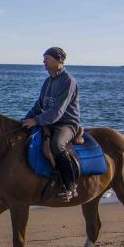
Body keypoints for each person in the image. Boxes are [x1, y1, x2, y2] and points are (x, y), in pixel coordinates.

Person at [21, 47, 80, 202]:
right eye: (44, 58)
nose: (43, 62)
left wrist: (37, 120)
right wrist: (22, 122)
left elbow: (58, 110)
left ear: (59, 60)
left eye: (47, 58)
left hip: (66, 123)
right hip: (48, 122)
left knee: (57, 145)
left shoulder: (68, 81)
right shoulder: (48, 82)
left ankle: (70, 186)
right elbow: (38, 106)